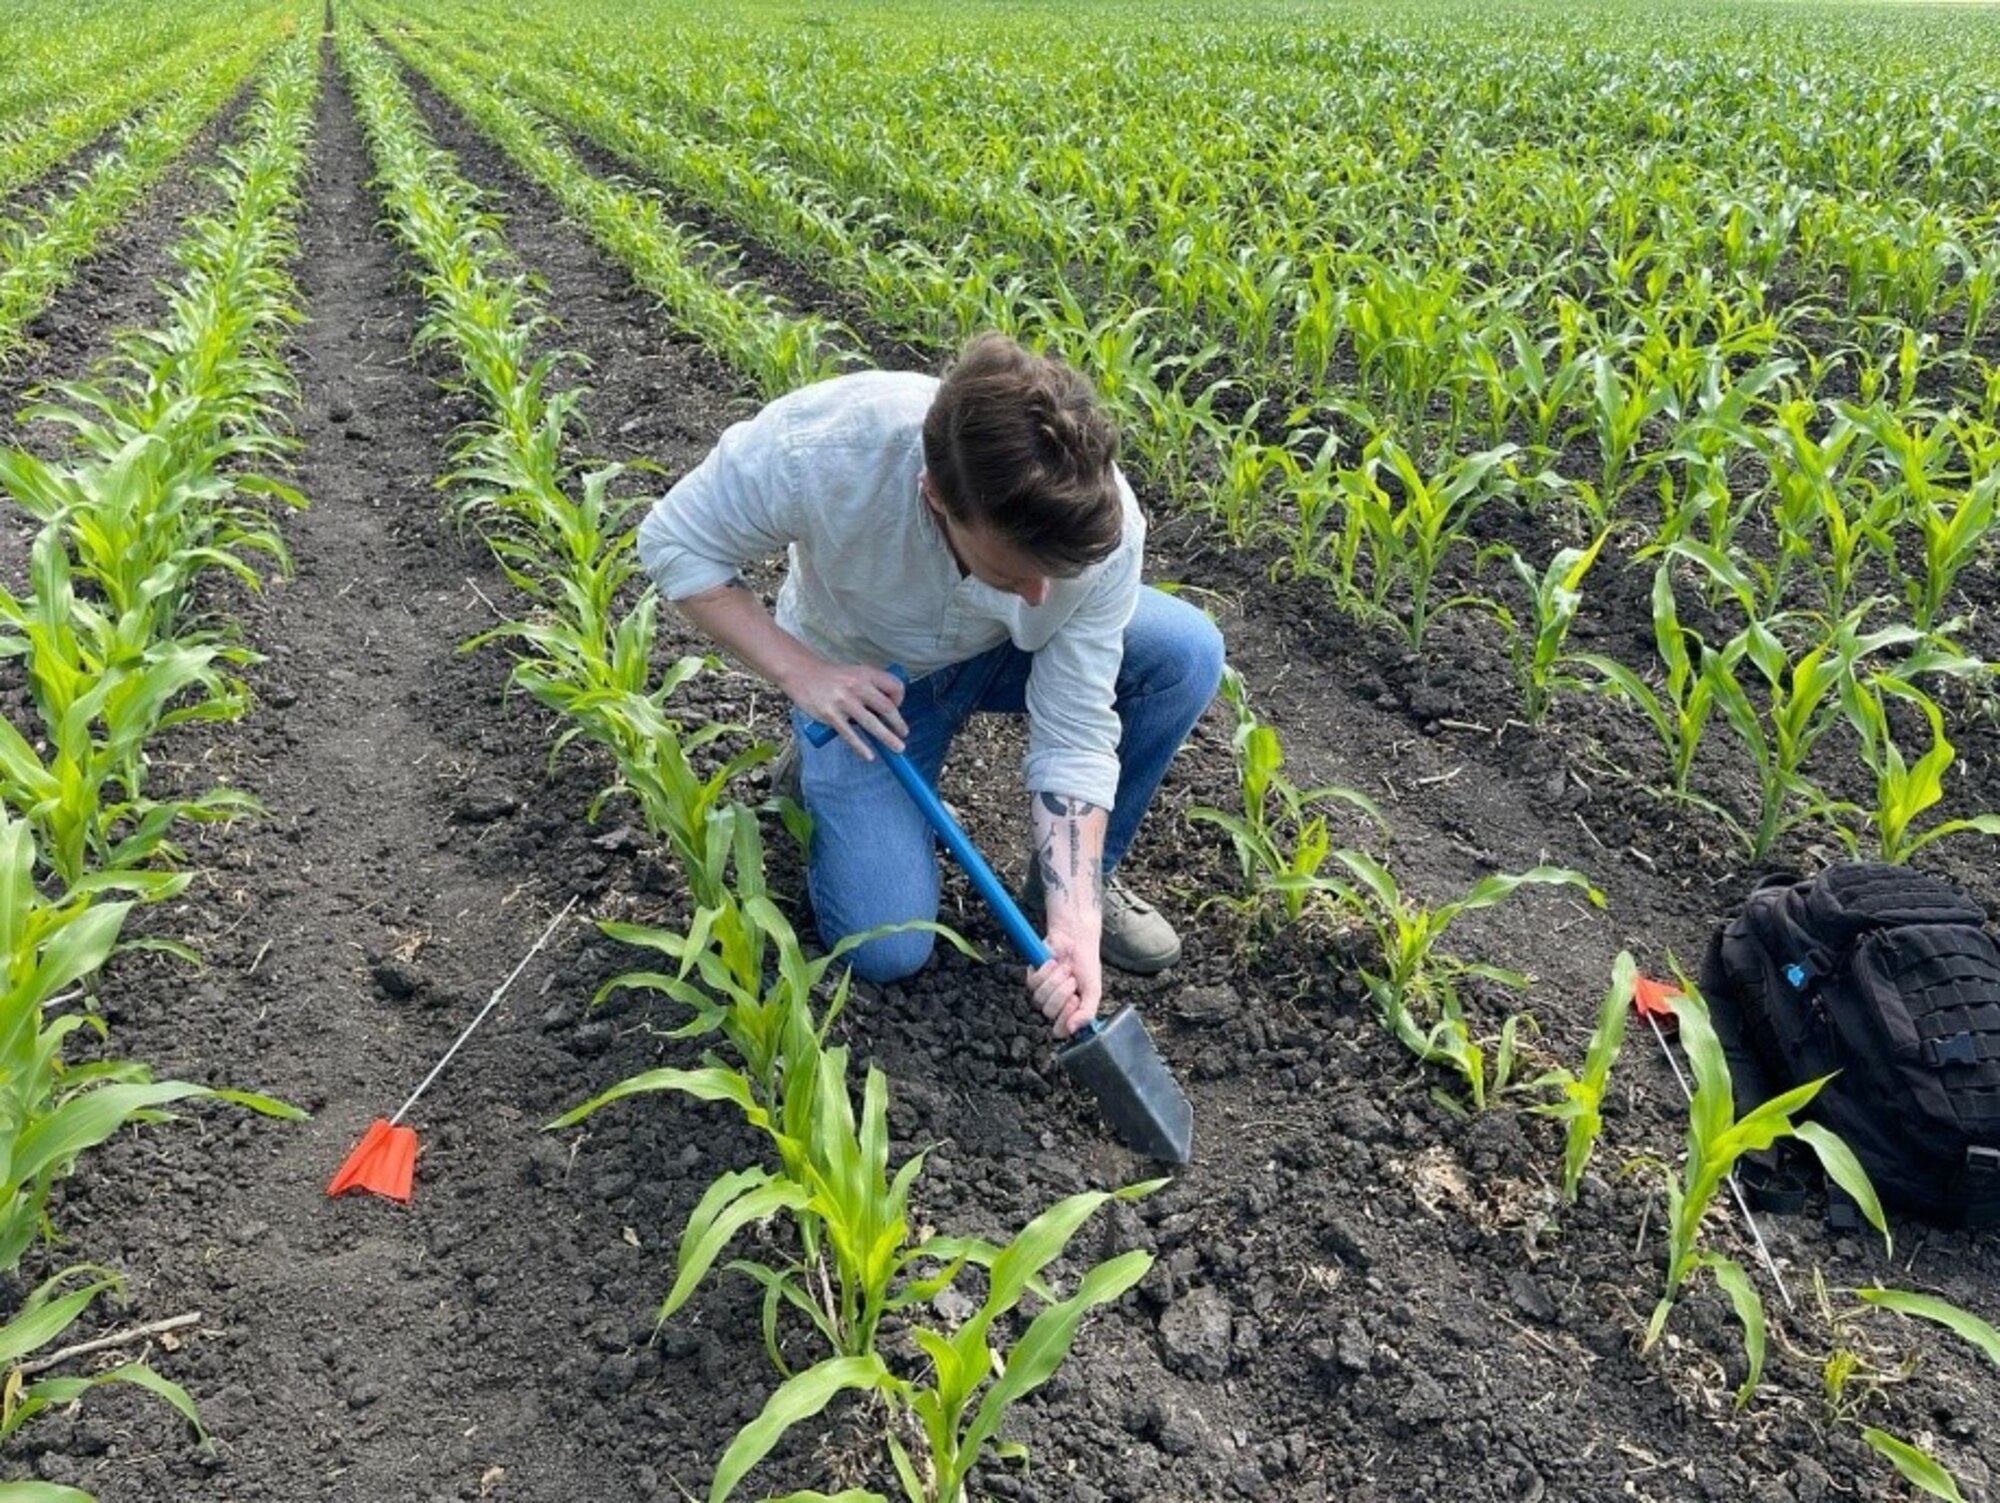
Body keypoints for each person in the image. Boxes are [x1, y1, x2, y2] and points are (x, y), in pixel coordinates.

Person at [636, 333, 1223, 1039]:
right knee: (889, 946)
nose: (1040, 598)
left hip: (1003, 658)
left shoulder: (1102, 525)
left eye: (1054, 575)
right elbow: (674, 542)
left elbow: (1075, 723)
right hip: (872, 688)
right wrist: (806, 674)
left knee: (1185, 653)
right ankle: (812, 765)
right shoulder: (825, 450)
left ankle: (1074, 888)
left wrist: (1075, 915)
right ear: (936, 496)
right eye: (1010, 573)